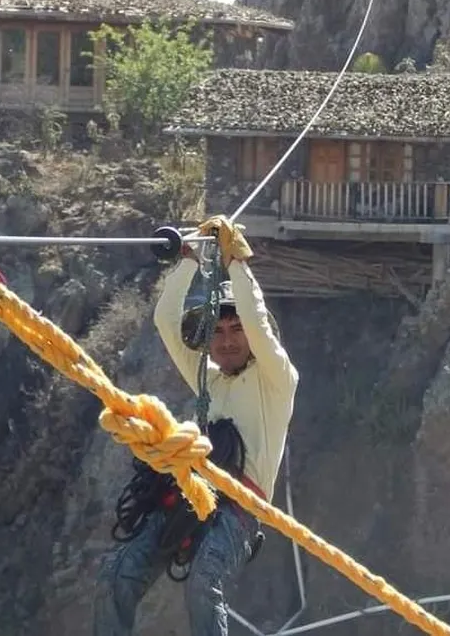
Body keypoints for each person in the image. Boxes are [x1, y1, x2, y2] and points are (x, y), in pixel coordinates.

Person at [93, 216, 300, 636]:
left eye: (235, 329)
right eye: (218, 331)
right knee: (118, 573)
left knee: (204, 584)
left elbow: (258, 323)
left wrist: (236, 262)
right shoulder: (211, 379)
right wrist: (187, 261)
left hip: (241, 508)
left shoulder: (276, 379)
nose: (227, 340)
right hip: (191, 493)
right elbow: (166, 323)